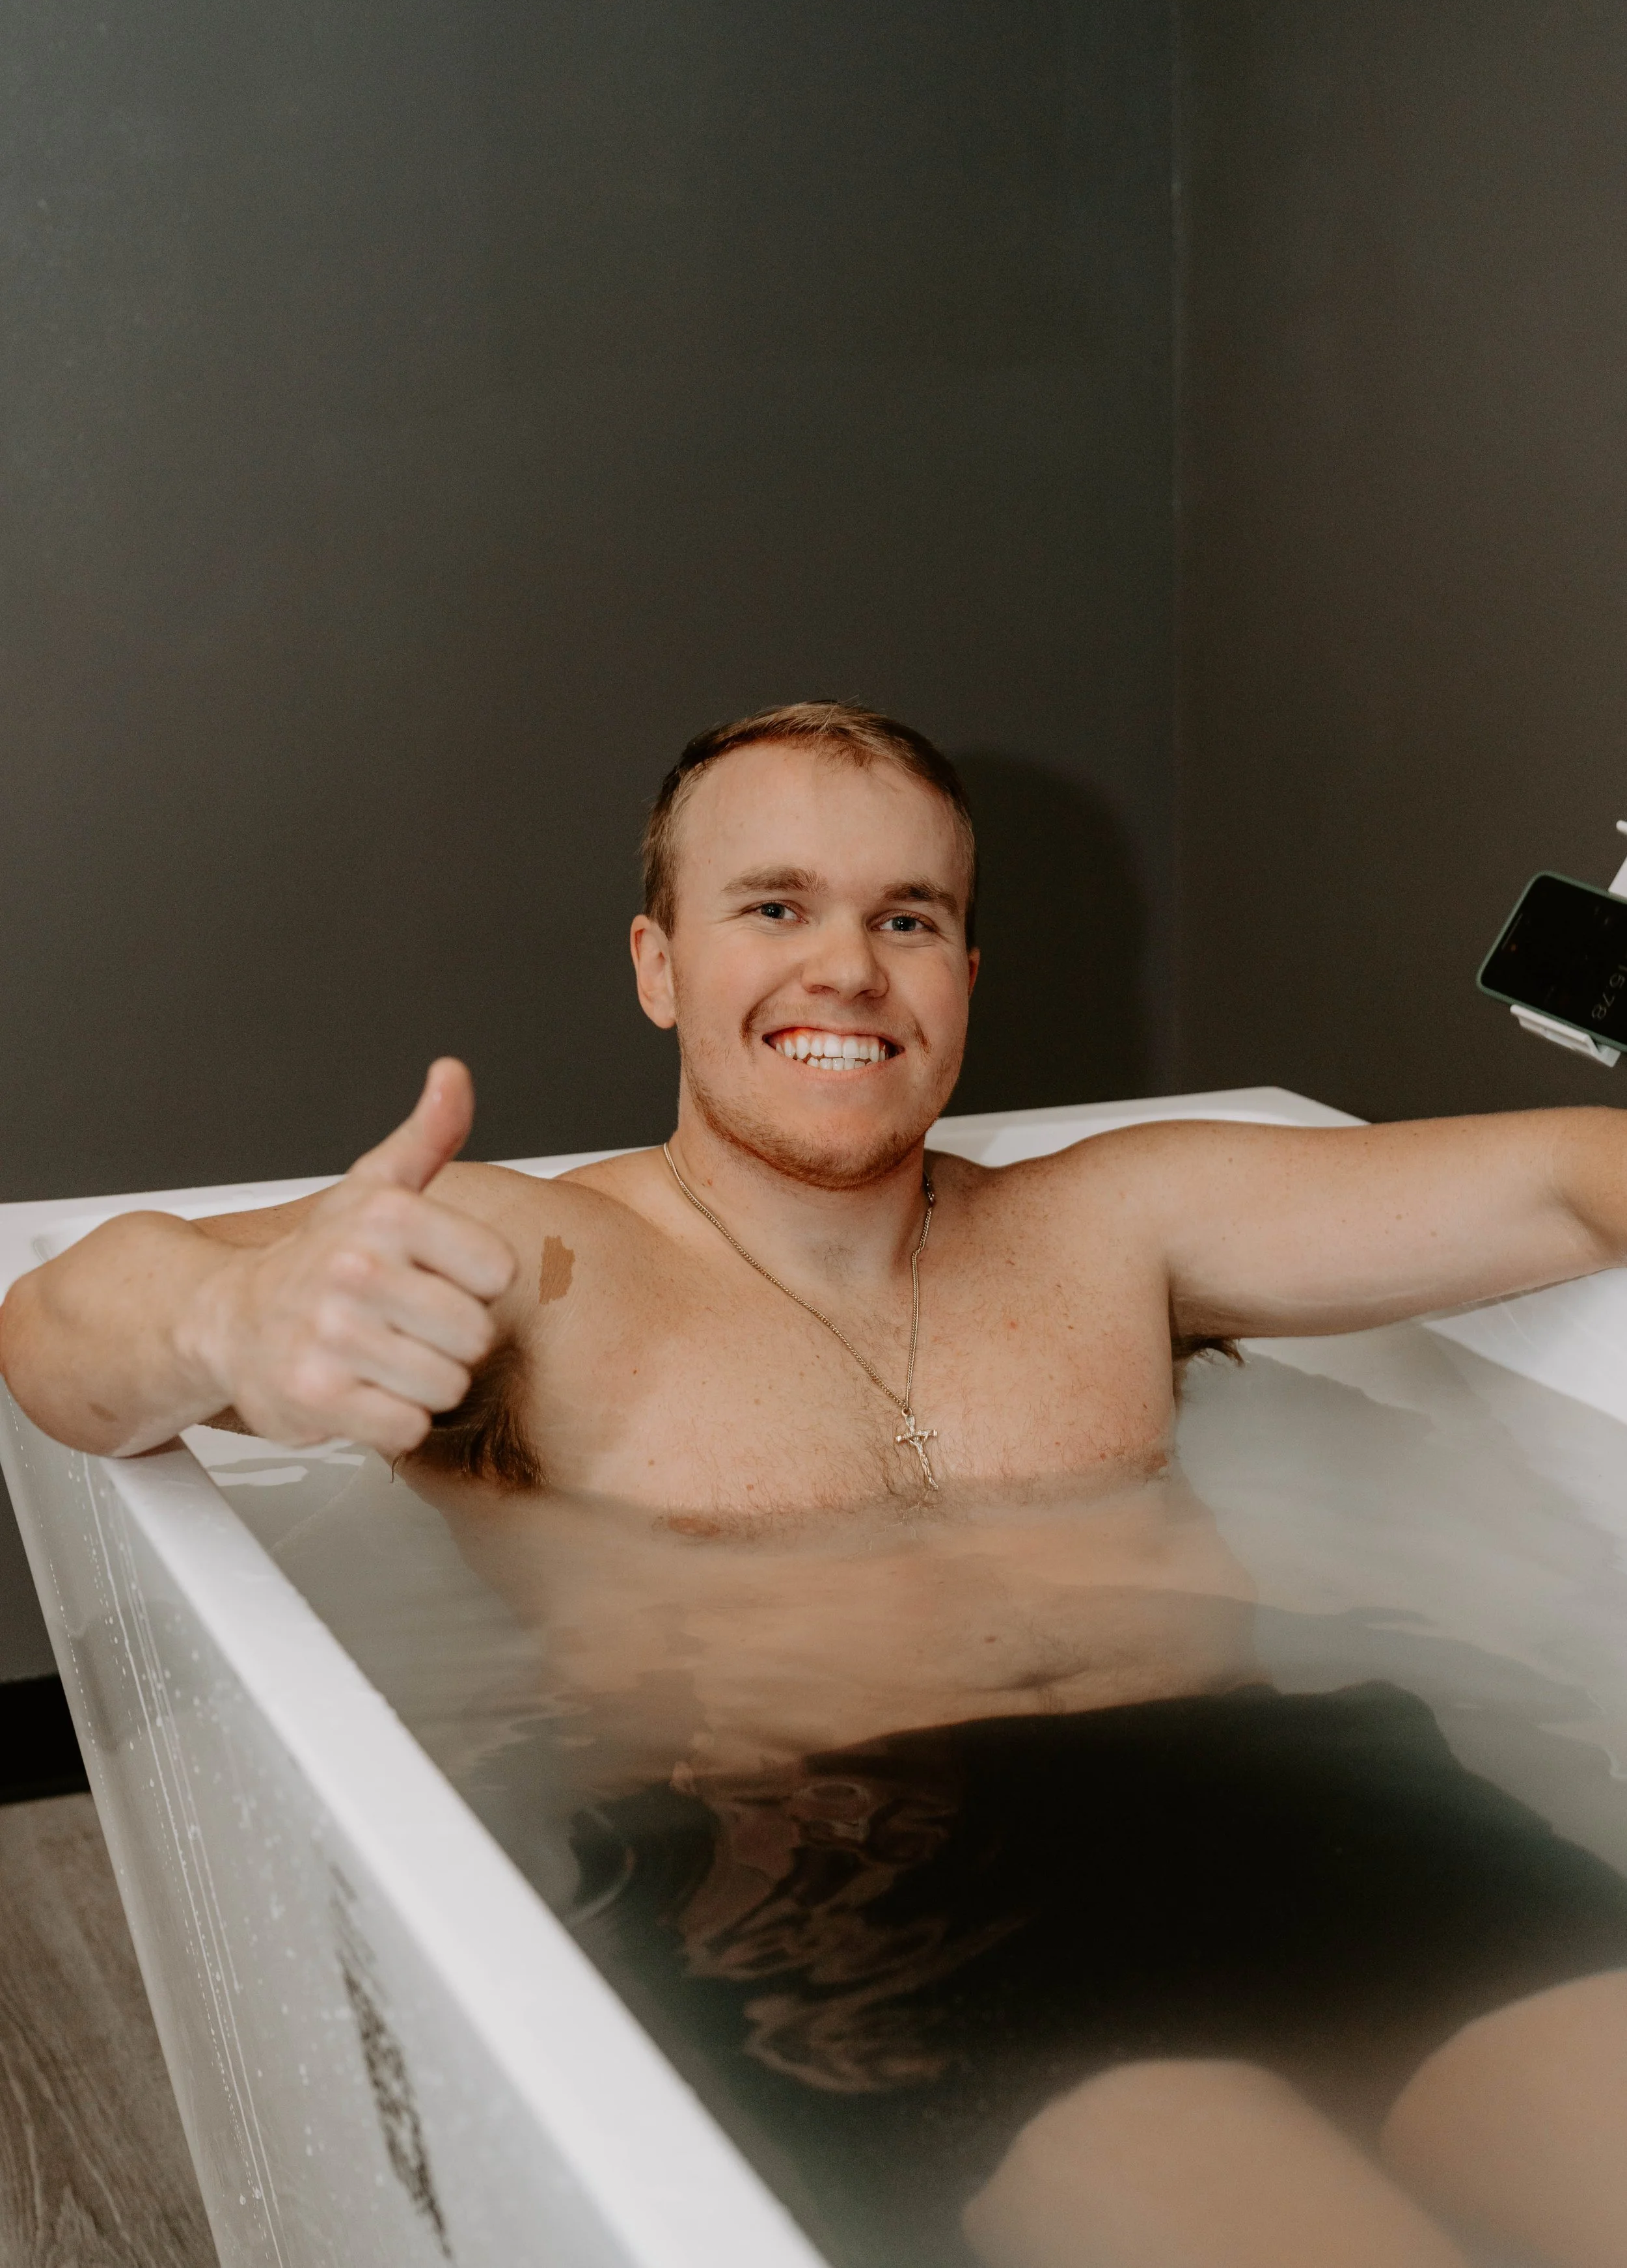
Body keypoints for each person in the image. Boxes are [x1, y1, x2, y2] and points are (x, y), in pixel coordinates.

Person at [5, 699, 1627, 2268]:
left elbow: (1572, 1184)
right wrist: (230, 1320)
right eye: (773, 905)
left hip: (1300, 1809)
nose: (847, 965)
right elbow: (56, 1321)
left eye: (907, 918)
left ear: (964, 975)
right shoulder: (541, 1259)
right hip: (856, 1897)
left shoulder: (1113, 1221)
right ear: (658, 964)